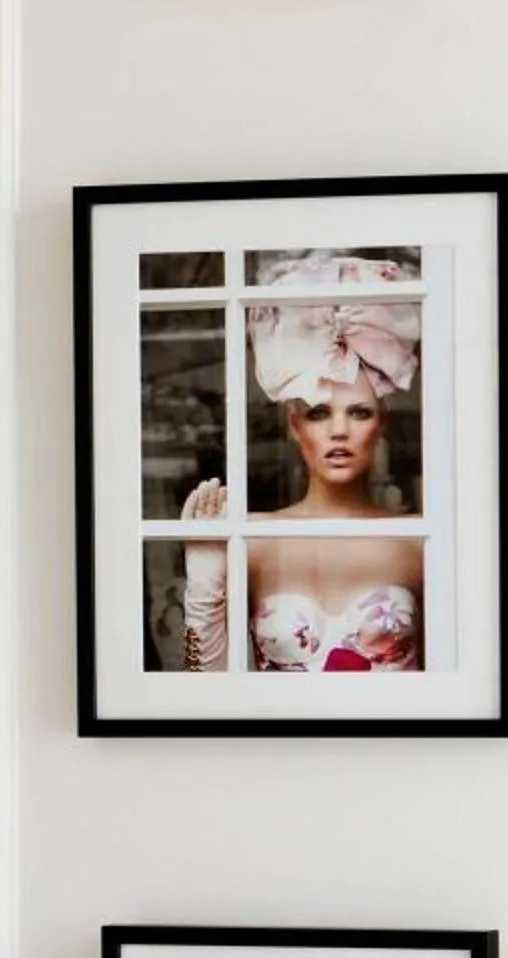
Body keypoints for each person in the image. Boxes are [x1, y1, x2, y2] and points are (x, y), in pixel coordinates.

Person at [179, 252, 423, 672]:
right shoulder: (251, 540)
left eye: (359, 413)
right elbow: (204, 684)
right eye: (318, 413)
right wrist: (204, 586)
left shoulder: (416, 541)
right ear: (295, 427)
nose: (340, 431)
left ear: (381, 424)